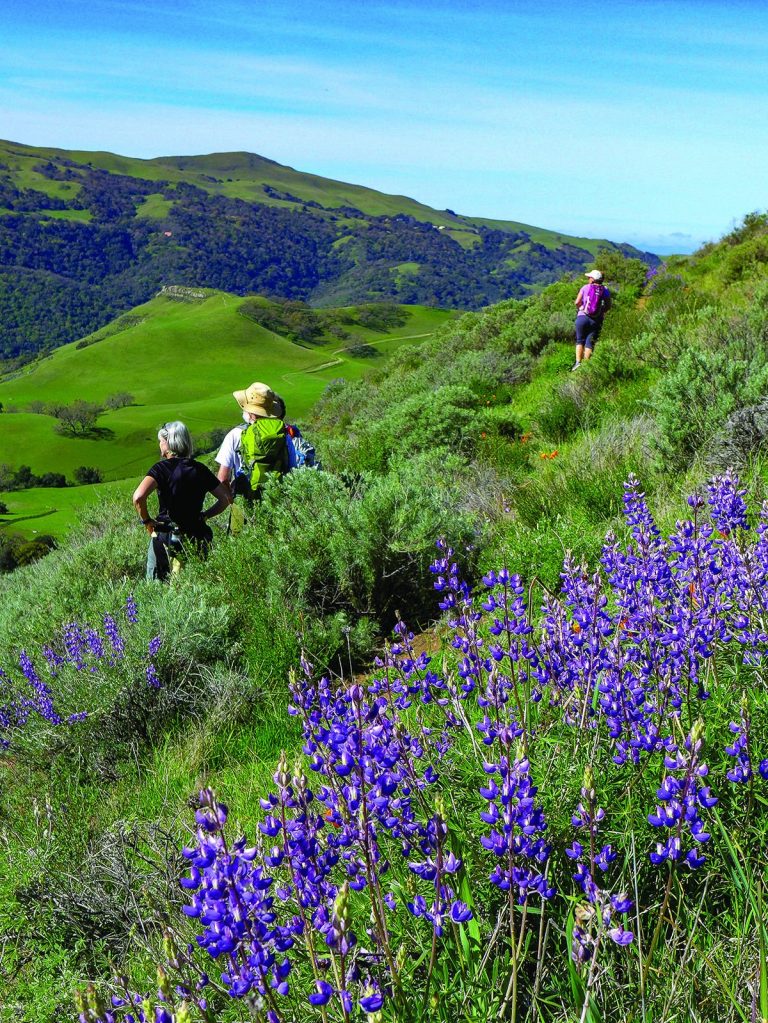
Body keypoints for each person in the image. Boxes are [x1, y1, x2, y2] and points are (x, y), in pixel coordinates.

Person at [133, 421, 230, 581]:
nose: (159, 445)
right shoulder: (200, 469)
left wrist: (147, 521)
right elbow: (225, 499)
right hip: (196, 537)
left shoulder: (160, 469)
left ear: (168, 443)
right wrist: (205, 515)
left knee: (159, 587)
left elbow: (138, 497)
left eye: (161, 441)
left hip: (165, 535)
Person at [215, 381, 287, 502]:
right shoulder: (283, 433)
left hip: (245, 501)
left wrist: (232, 501)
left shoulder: (235, 435)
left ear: (250, 412)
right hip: (277, 502)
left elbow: (222, 479)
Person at [572, 269, 612, 370]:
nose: (588, 278)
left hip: (582, 318)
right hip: (596, 320)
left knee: (580, 340)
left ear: (593, 279)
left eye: (589, 277)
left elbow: (577, 302)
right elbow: (608, 305)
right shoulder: (605, 290)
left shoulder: (585, 287)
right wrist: (601, 312)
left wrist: (581, 308)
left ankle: (578, 363)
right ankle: (586, 366)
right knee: (590, 342)